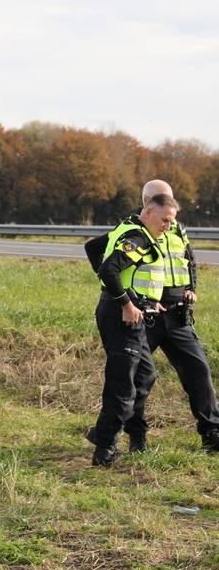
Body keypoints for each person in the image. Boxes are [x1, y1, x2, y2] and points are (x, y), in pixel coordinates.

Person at [86, 194, 175, 466]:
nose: (168, 226)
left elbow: (93, 248)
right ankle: (105, 449)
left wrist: (144, 301)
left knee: (145, 376)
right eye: (165, 220)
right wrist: (125, 303)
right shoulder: (137, 238)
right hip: (121, 317)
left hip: (130, 312)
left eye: (171, 222)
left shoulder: (129, 229)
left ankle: (102, 431)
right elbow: (109, 270)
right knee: (122, 385)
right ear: (148, 212)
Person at [131, 181, 219, 452]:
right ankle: (137, 438)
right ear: (147, 202)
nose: (168, 208)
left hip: (178, 315)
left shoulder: (177, 228)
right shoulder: (134, 228)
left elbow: (189, 260)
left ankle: (212, 433)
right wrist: (135, 301)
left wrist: (191, 289)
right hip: (147, 316)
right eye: (161, 199)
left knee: (199, 371)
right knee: (139, 378)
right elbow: (115, 269)